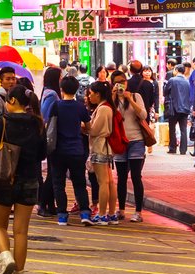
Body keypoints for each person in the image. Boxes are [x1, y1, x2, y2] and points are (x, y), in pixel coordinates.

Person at [0, 84, 46, 274]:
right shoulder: (37, 123)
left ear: (13, 101)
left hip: (5, 179)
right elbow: (43, 153)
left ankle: (6, 258)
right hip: (30, 180)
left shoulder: (3, 122)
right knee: (21, 231)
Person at [49, 76, 93, 226]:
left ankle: (62, 215)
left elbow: (50, 126)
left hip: (58, 151)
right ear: (76, 90)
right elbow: (89, 127)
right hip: (76, 150)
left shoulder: (56, 105)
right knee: (79, 183)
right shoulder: (80, 107)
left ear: (61, 90)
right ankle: (85, 213)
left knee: (58, 184)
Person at [111, 70, 149, 222]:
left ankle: (138, 212)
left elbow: (143, 115)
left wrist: (130, 100)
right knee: (121, 178)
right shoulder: (111, 100)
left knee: (135, 176)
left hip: (136, 141)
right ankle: (121, 210)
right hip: (120, 141)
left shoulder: (135, 96)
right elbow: (109, 116)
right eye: (117, 82)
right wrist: (113, 97)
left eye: (123, 81)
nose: (121, 84)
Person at [86, 81, 118, 225]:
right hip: (105, 147)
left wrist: (84, 126)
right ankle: (110, 213)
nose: (89, 97)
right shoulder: (107, 107)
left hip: (100, 147)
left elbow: (94, 130)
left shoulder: (103, 109)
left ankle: (102, 214)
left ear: (98, 94)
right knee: (109, 181)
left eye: (91, 94)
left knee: (103, 182)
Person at [36, 66, 63, 219]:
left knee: (54, 173)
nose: (61, 80)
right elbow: (45, 117)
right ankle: (42, 204)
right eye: (59, 77)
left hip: (51, 137)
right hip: (52, 138)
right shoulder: (52, 94)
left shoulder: (47, 92)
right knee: (53, 174)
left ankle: (50, 205)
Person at [163, 64, 192, 155]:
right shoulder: (187, 82)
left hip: (174, 108)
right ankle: (183, 149)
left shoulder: (172, 80)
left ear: (176, 70)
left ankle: (173, 148)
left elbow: (165, 92)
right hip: (185, 108)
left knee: (172, 129)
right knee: (183, 129)